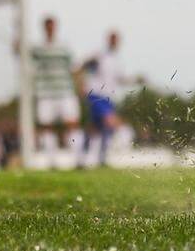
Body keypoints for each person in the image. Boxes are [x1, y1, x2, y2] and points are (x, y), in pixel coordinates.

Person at [31, 16, 84, 168]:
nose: (50, 29)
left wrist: (79, 85)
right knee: (47, 126)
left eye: (52, 26)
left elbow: (73, 68)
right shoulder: (37, 48)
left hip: (65, 91)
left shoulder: (64, 47)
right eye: (48, 26)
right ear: (44, 28)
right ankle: (51, 161)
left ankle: (78, 160)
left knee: (72, 124)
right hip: (45, 93)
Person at [82, 30, 129, 167]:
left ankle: (87, 157)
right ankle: (99, 158)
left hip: (109, 97)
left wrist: (135, 80)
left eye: (116, 39)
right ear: (108, 40)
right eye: (112, 39)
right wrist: (81, 83)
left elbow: (120, 79)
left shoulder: (118, 60)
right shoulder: (100, 55)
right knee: (110, 122)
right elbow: (84, 65)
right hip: (96, 94)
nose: (114, 42)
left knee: (96, 128)